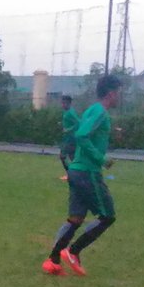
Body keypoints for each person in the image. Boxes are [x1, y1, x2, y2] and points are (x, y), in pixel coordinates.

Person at [42, 75, 121, 276]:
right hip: (87, 172)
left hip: (76, 171)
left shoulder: (92, 110)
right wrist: (101, 158)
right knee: (107, 216)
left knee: (75, 218)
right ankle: (74, 251)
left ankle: (52, 260)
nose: (120, 96)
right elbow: (82, 134)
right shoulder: (100, 112)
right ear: (111, 93)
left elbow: (85, 133)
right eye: (119, 92)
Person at [59, 94, 79, 179]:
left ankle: (71, 175)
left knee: (63, 156)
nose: (63, 105)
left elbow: (78, 123)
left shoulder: (71, 112)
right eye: (62, 103)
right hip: (67, 138)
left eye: (64, 103)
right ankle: (73, 174)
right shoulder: (66, 111)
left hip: (71, 139)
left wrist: (68, 129)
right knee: (71, 157)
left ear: (69, 103)